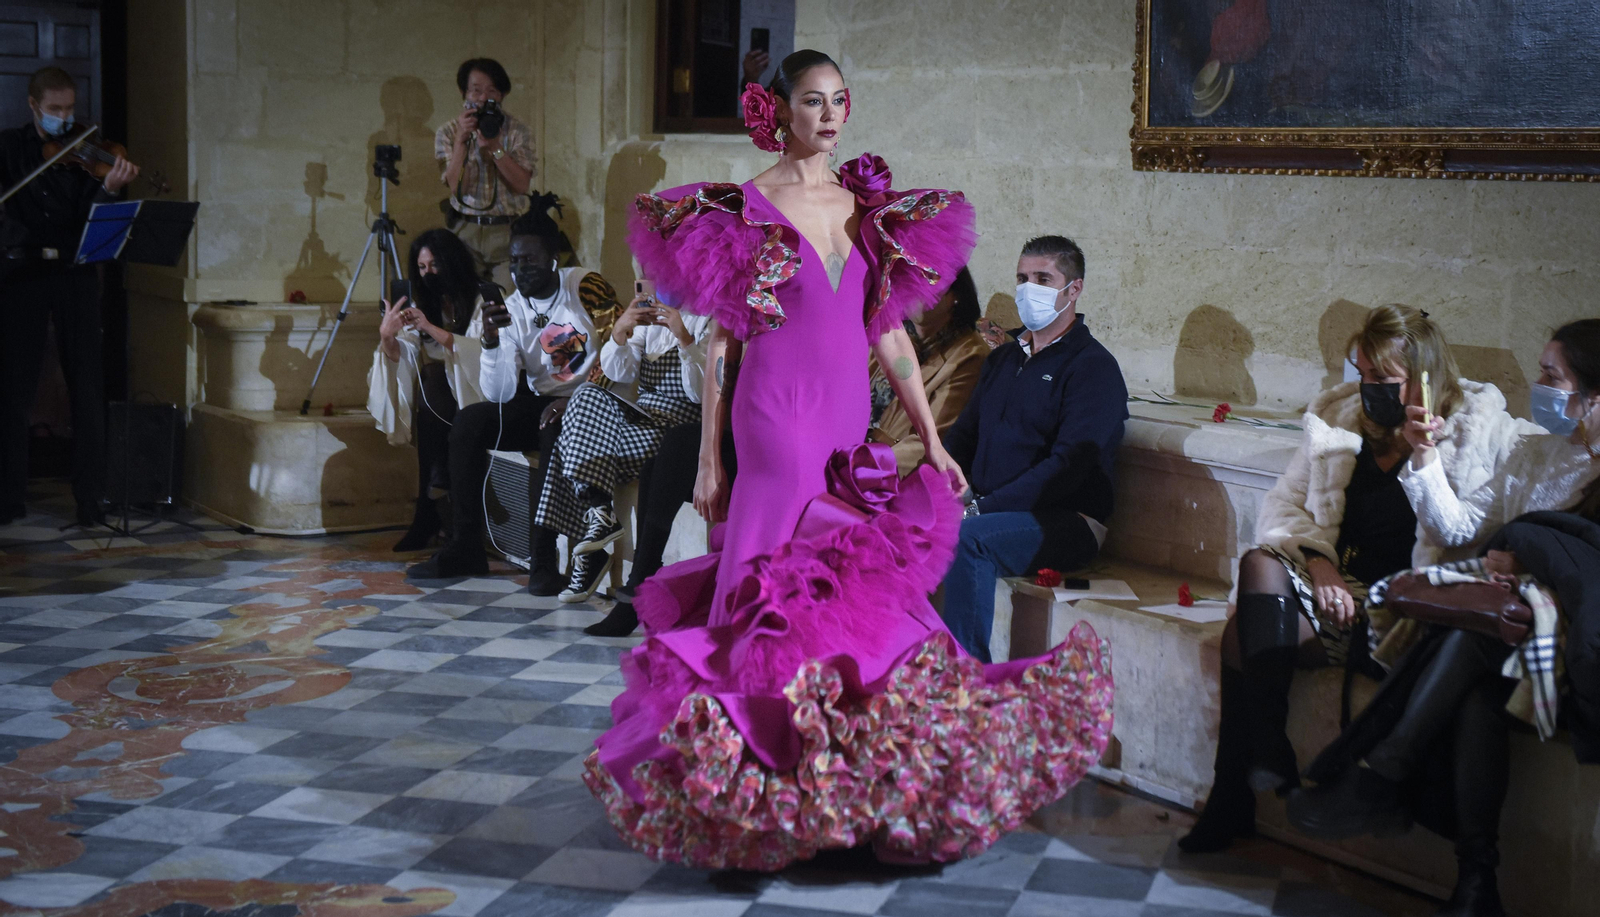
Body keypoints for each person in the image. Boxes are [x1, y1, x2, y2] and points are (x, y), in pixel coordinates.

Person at [582, 50, 1114, 871]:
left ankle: (840, 791)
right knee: (771, 585)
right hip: (772, 414)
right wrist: (710, 456)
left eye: (839, 101)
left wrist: (932, 439)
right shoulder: (748, 206)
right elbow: (724, 339)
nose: (829, 116)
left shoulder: (871, 211)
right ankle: (765, 797)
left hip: (841, 417)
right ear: (781, 111)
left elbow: (892, 333)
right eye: (812, 101)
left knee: (847, 587)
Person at [1178, 305, 1531, 856]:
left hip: (1401, 610)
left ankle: (1237, 793)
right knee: (1259, 565)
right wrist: (1320, 566)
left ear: (1424, 377)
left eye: (1382, 379)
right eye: (1362, 375)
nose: (1368, 389)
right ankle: (1266, 752)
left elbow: (1461, 533)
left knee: (1239, 640)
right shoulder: (1340, 422)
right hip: (1332, 591)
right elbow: (1281, 508)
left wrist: (1425, 455)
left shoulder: (1472, 435)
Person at [1287, 320, 1600, 917]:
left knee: (1469, 642)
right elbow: (1458, 528)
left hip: (1573, 647)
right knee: (1478, 690)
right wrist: (1425, 455)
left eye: (1552, 377)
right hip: (1512, 640)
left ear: (1594, 392)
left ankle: (1382, 771)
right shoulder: (1535, 452)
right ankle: (1477, 883)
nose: (1538, 386)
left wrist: (1531, 554)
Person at [406, 196, 621, 584]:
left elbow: (621, 345)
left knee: (552, 426)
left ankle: (542, 561)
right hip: (543, 401)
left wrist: (577, 397)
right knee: (471, 421)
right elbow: (500, 392)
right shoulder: (513, 306)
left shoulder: (586, 286)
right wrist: (491, 341)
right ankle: (466, 546)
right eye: (515, 261)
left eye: (531, 260)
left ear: (554, 258)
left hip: (597, 400)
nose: (521, 270)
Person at [938, 238, 1129, 662]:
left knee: (968, 540)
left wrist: (980, 509)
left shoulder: (1092, 367)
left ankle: (965, 685)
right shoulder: (1003, 360)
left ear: (1074, 289)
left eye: (1044, 279)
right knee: (899, 522)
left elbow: (1067, 468)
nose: (1029, 289)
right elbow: (962, 439)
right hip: (991, 507)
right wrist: (936, 488)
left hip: (1065, 518)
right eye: (1023, 279)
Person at [1, 67, 139, 527]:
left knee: (87, 385)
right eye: (55, 109)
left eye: (69, 109)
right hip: (23, 275)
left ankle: (90, 499)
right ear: (34, 105)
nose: (64, 118)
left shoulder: (87, 153)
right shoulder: (9, 149)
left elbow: (97, 219)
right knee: (13, 388)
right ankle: (8, 497)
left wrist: (109, 188)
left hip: (76, 274)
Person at [531, 288, 711, 603]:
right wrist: (620, 332)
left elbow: (702, 394)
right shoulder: (652, 317)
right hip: (641, 420)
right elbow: (619, 374)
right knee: (585, 396)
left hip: (676, 435)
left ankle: (596, 538)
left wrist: (684, 338)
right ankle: (600, 514)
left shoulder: (709, 317)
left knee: (566, 445)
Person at [368, 229, 486, 551]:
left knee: (434, 382)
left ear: (452, 262)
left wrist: (430, 327)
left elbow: (484, 353)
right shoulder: (425, 303)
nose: (428, 273)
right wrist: (388, 337)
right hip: (441, 396)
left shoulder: (481, 297)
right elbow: (402, 356)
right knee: (431, 383)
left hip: (481, 388)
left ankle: (429, 505)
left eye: (435, 264)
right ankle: (434, 491)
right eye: (421, 268)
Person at [868, 266, 989, 476]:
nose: (915, 291)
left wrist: (866, 467)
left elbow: (936, 439)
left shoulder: (971, 355)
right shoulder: (894, 335)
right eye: (911, 282)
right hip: (856, 450)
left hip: (895, 470)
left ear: (955, 296)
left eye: (927, 284)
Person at [436, 58, 537, 287]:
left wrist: (495, 148)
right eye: (476, 90)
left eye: (491, 90)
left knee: (508, 305)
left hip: (508, 231)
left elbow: (521, 185)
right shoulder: (448, 132)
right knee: (464, 299)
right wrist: (462, 142)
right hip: (464, 230)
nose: (483, 98)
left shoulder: (518, 130)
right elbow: (456, 188)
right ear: (464, 93)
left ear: (501, 95)